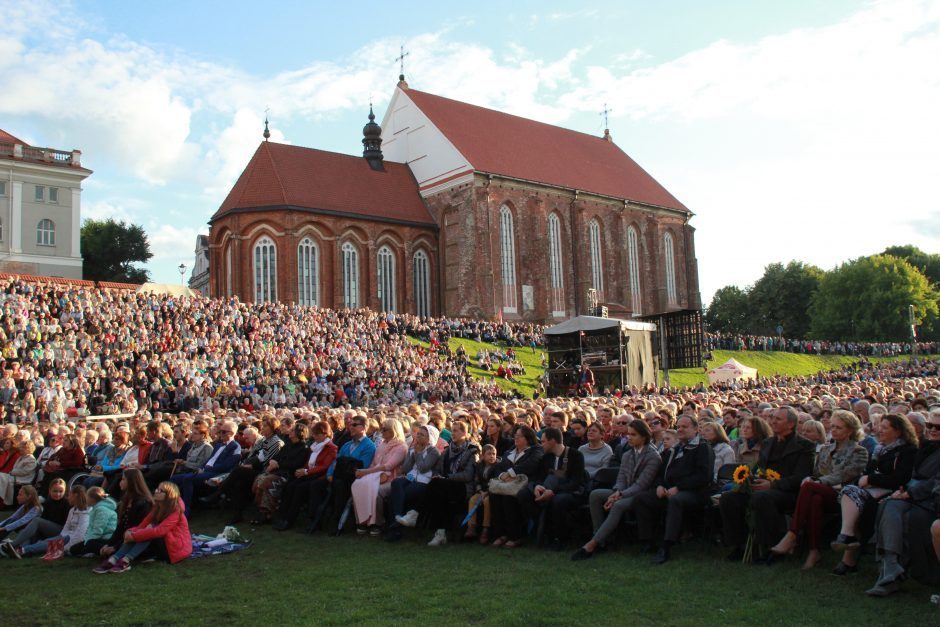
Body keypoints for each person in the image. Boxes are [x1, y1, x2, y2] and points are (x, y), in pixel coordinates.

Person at [769, 409, 868, 569]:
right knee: (815, 500)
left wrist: (817, 481)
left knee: (809, 486)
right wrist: (813, 479)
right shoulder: (825, 449)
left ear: (850, 431)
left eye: (839, 428)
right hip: (820, 492)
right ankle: (814, 551)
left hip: (843, 496)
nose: (834, 430)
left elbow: (843, 475)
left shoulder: (859, 451)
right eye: (833, 426)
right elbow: (816, 472)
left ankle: (793, 533)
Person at [720, 406, 816, 564]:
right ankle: (739, 544)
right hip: (763, 487)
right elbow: (761, 468)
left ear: (791, 424)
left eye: (778, 419)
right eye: (772, 418)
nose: (772, 421)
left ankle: (770, 547)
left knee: (762, 498)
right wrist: (751, 479)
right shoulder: (768, 442)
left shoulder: (805, 445)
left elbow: (801, 476)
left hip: (788, 492)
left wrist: (773, 485)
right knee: (729, 498)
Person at [831, 413, 918, 575]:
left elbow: (900, 478)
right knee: (850, 495)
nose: (880, 430)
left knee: (852, 497)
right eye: (880, 426)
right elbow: (866, 474)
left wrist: (872, 479)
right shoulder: (879, 449)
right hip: (872, 490)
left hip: (893, 493)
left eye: (885, 428)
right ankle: (848, 540)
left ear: (898, 431)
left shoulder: (908, 451)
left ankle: (847, 541)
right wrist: (866, 479)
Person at [865, 411, 940, 596]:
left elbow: (935, 482)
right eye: (930, 426)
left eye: (938, 427)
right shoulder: (925, 447)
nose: (933, 430)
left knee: (906, 516)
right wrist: (903, 490)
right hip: (913, 495)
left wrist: (909, 493)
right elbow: (912, 476)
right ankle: (890, 567)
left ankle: (891, 572)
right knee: (888, 504)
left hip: (931, 500)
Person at [572, 419, 662, 560]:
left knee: (619, 505)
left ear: (644, 436)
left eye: (633, 435)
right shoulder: (628, 454)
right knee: (595, 495)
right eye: (629, 434)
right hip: (624, 491)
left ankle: (592, 544)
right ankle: (601, 538)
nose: (629, 438)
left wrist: (619, 495)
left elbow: (642, 484)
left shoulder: (653, 456)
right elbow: (621, 478)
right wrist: (616, 492)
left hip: (641, 495)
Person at [633, 415, 714, 564]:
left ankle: (666, 546)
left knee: (676, 500)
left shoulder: (703, 448)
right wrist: (659, 485)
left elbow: (704, 476)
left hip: (694, 492)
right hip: (670, 489)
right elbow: (661, 471)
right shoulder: (675, 449)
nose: (681, 429)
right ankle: (647, 541)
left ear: (696, 429)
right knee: (642, 498)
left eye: (685, 427)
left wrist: (679, 487)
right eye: (679, 426)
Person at [93, 481, 192, 573]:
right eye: (157, 489)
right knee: (146, 530)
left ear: (169, 495)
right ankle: (115, 559)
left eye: (160, 491)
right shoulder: (157, 507)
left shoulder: (176, 510)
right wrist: (130, 532)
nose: (156, 491)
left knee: (149, 530)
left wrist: (134, 536)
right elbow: (142, 524)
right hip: (163, 543)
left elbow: (160, 531)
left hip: (174, 549)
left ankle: (125, 560)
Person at [521, 427, 586, 550]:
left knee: (558, 501)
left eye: (544, 441)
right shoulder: (547, 457)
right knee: (524, 494)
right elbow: (540, 477)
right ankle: (545, 529)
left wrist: (553, 491)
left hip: (570, 492)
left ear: (552, 441)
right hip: (548, 488)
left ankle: (559, 538)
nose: (541, 444)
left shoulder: (576, 455)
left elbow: (575, 482)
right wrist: (537, 486)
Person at [424, 419, 480, 546]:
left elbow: (467, 475)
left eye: (455, 431)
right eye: (452, 431)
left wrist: (447, 478)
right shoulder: (447, 450)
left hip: (462, 487)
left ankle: (422, 518)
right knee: (436, 489)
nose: (452, 434)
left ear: (465, 433)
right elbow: (438, 469)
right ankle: (440, 532)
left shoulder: (472, 451)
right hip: (446, 485)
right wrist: (438, 476)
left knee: (437, 488)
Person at [272, 422, 337, 531]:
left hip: (320, 476)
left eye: (317, 434)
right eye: (314, 434)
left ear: (325, 434)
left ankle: (289, 520)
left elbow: (325, 466)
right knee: (290, 485)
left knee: (299, 489)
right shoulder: (315, 446)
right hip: (310, 474)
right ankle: (282, 516)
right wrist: (304, 471)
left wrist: (306, 471)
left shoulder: (331, 448)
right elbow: (309, 462)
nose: (314, 436)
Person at [488, 425, 544, 548]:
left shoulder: (536, 449)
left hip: (525, 484)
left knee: (509, 499)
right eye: (515, 436)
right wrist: (503, 475)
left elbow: (530, 465)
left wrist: (511, 473)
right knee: (494, 496)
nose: (516, 438)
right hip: (506, 483)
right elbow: (499, 467)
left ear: (528, 438)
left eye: (519, 436)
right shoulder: (510, 451)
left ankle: (515, 535)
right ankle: (501, 534)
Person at [350, 419, 407, 534]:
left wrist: (365, 472)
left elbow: (388, 466)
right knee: (357, 484)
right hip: (376, 476)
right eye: (382, 428)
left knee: (377, 492)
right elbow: (374, 463)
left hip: (391, 479)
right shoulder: (382, 444)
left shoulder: (401, 447)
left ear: (393, 430)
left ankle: (377, 523)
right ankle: (363, 520)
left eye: (385, 429)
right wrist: (365, 473)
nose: (382, 431)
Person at [385, 425, 441, 542]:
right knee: (396, 483)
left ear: (429, 438)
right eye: (418, 434)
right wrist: (412, 453)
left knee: (393, 497)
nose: (418, 436)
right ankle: (397, 523)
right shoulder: (413, 448)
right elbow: (405, 469)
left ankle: (395, 530)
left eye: (422, 435)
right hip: (409, 478)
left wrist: (418, 453)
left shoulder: (433, 452)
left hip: (423, 481)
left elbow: (423, 468)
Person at [171, 420, 241, 511]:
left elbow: (228, 465)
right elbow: (209, 460)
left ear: (231, 433)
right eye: (220, 431)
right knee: (174, 478)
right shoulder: (218, 445)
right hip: (206, 470)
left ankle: (185, 510)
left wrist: (207, 469)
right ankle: (171, 507)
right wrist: (202, 468)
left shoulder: (235, 446)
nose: (220, 434)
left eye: (223, 432)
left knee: (187, 479)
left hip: (216, 473)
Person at [251, 423, 310, 524]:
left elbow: (295, 464)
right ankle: (261, 509)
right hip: (278, 471)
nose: (289, 432)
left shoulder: (303, 448)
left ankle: (266, 513)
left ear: (298, 433)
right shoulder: (288, 445)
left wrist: (278, 464)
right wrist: (273, 462)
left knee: (267, 482)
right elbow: (276, 457)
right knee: (258, 480)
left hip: (288, 475)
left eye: (292, 430)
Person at [93, 468, 153, 560]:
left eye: (123, 479)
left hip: (134, 540)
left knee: (103, 549)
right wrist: (109, 544)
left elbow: (136, 530)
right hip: (123, 539)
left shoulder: (143, 503)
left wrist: (115, 547)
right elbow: (121, 528)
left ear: (132, 482)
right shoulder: (127, 500)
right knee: (91, 543)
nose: (120, 482)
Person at [1, 478, 70, 556]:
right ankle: (20, 549)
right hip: (47, 530)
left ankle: (13, 545)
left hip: (60, 531)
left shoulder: (66, 503)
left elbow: (24, 521)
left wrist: (4, 528)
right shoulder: (48, 502)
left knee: (36, 521)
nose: (58, 494)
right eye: (55, 491)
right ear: (49, 490)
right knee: (30, 531)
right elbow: (13, 518)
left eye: (61, 491)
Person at [19, 484, 90, 559]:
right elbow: (66, 526)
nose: (68, 497)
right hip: (65, 535)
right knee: (46, 541)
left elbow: (80, 535)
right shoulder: (72, 510)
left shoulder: (86, 512)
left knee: (48, 543)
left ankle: (23, 549)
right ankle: (21, 549)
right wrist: (60, 537)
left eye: (69, 495)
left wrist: (64, 547)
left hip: (72, 540)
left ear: (75, 496)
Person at [464, 444, 500, 544]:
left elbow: (496, 481)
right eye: (489, 454)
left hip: (493, 492)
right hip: (482, 491)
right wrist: (481, 491)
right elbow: (477, 480)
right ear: (483, 456)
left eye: (494, 454)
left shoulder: (498, 466)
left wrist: (487, 492)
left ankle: (485, 529)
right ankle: (471, 527)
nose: (492, 456)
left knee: (487, 501)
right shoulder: (479, 466)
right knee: (473, 500)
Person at [67, 486, 117, 557]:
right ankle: (91, 550)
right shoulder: (95, 509)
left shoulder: (101, 510)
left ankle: (98, 552)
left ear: (92, 499)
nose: (86, 499)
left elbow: (98, 530)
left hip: (105, 539)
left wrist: (87, 542)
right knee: (73, 549)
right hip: (94, 538)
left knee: (89, 545)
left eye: (87, 497)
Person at [0, 485, 42, 553]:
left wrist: (3, 528)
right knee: (12, 520)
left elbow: (21, 522)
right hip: (23, 532)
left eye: (20, 495)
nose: (17, 497)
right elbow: (12, 518)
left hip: (33, 535)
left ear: (29, 496)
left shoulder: (36, 509)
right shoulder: (24, 506)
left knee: (20, 548)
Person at [0, 441, 37, 506]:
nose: (20, 449)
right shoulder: (21, 457)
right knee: (1, 476)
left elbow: (24, 472)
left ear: (28, 448)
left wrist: (12, 472)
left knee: (1, 477)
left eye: (23, 447)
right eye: (20, 447)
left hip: (24, 478)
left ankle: (3, 501)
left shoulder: (31, 459)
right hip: (15, 476)